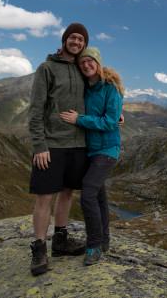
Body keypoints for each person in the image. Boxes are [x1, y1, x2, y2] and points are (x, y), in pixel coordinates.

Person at [28, 23, 89, 276]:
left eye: (80, 39)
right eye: (72, 38)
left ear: (84, 44)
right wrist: (39, 145)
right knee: (45, 197)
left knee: (67, 193)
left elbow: (99, 96)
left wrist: (115, 116)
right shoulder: (47, 69)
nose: (76, 42)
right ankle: (40, 247)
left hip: (79, 144)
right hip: (52, 145)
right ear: (65, 40)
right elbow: (36, 109)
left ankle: (61, 241)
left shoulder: (84, 68)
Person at [59, 47, 124, 266]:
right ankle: (104, 241)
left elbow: (109, 122)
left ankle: (94, 245)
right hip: (90, 150)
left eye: (90, 61)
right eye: (82, 62)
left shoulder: (110, 88)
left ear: (98, 63)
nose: (86, 65)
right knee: (98, 197)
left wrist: (80, 120)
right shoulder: (86, 88)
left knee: (87, 193)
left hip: (107, 150)